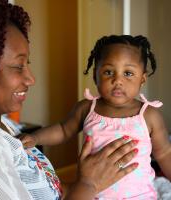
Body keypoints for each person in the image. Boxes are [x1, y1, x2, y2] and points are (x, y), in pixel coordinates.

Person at [0, 1, 139, 200]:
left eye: (28, 63)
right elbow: (63, 129)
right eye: (18, 66)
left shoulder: (1, 124)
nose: (31, 79)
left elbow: (49, 189)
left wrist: (93, 180)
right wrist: (89, 184)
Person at [21, 35, 171, 199]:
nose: (118, 80)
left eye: (128, 73)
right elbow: (63, 130)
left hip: (140, 196)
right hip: (92, 194)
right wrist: (35, 138)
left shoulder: (149, 115)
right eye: (108, 72)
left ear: (142, 79)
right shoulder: (86, 108)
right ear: (95, 76)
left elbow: (164, 153)